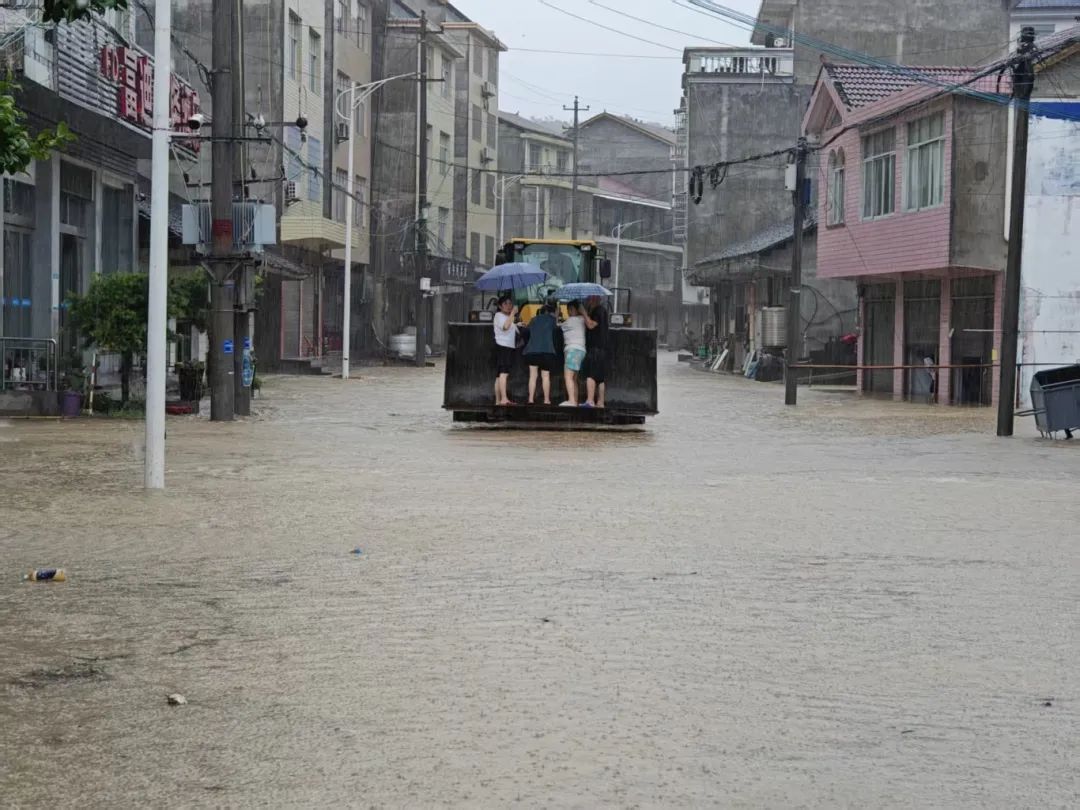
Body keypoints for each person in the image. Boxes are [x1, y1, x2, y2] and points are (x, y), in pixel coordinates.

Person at [523, 301, 558, 405]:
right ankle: (546, 400)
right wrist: (555, 314)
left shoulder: (533, 319)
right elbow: (556, 329)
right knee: (545, 376)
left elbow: (527, 330)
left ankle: (530, 399)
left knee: (533, 376)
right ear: (548, 312)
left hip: (532, 351)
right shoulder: (552, 320)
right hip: (547, 352)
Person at [582, 295, 610, 408]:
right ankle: (601, 402)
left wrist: (583, 313)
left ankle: (590, 401)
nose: (587, 302)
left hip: (595, 349)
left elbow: (591, 325)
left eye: (588, 299)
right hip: (603, 349)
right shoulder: (603, 311)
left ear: (593, 299)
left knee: (591, 376)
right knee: (600, 378)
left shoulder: (597, 311)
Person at [559, 300, 587, 407]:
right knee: (574, 378)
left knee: (568, 377)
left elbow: (558, 326)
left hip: (572, 350)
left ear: (575, 309)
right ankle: (575, 402)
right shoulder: (582, 319)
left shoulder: (570, 321)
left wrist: (557, 316)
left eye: (570, 309)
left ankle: (571, 401)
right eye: (568, 310)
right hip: (581, 351)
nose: (569, 312)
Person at [492, 294, 518, 406]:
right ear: (500, 306)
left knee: (499, 375)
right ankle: (504, 399)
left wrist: (517, 324)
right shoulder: (499, 315)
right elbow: (505, 327)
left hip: (506, 346)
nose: (508, 305)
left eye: (510, 303)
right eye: (505, 304)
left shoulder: (506, 317)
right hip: (503, 347)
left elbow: (511, 327)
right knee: (504, 373)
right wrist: (513, 313)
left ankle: (498, 400)